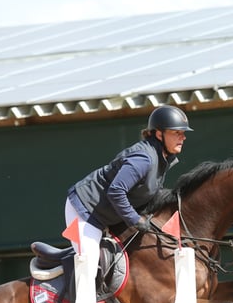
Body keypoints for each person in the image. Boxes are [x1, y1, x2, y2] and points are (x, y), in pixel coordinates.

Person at [64, 105, 193, 267]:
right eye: (176, 133)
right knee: (89, 264)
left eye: (183, 133)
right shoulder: (144, 159)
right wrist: (135, 219)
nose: (183, 137)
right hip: (86, 210)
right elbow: (116, 191)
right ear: (159, 134)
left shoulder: (161, 157)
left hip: (109, 213)